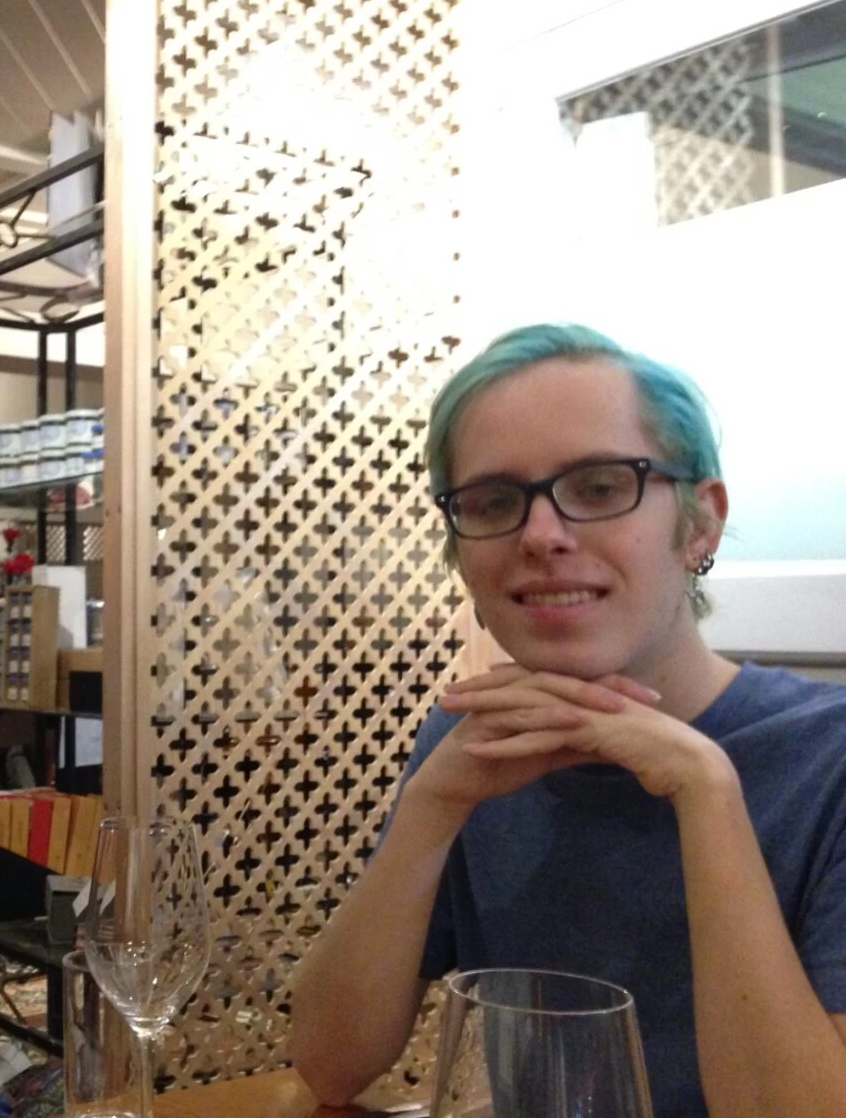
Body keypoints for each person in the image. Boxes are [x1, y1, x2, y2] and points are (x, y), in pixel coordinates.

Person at [290, 323, 846, 1116]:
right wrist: (431, 808)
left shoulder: (828, 758)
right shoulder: (473, 748)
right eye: (492, 501)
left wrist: (705, 789)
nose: (541, 535)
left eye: (597, 487)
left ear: (699, 524)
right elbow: (329, 1065)